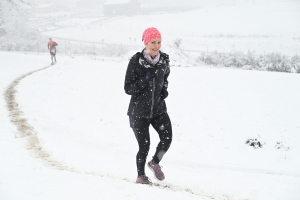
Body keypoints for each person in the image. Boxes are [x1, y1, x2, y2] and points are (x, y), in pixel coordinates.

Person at [124, 27, 172, 184]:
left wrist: (164, 90)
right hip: (139, 112)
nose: (156, 45)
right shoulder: (136, 62)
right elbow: (128, 88)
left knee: (167, 138)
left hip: (158, 109)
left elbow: (165, 78)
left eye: (159, 42)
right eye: (153, 42)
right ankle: (141, 176)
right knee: (144, 146)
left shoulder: (164, 60)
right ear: (146, 42)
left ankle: (155, 162)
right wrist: (145, 80)